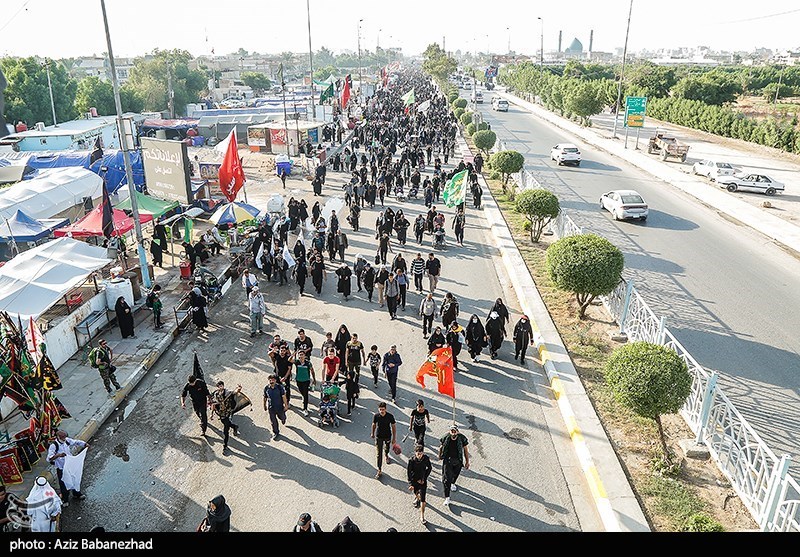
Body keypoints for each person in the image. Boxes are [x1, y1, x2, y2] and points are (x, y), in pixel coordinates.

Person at [47, 430, 88, 506]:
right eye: (62, 437)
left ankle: (76, 493)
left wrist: (84, 444)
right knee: (63, 484)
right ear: (58, 437)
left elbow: (76, 442)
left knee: (74, 479)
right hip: (62, 468)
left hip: (70, 466)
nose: (64, 439)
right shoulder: (54, 446)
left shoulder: (67, 441)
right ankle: (65, 499)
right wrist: (58, 455)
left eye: (65, 437)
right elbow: (49, 458)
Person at [439, 424, 470, 507]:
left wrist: (467, 461)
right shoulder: (445, 437)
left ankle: (453, 482)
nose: (453, 432)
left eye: (454, 430)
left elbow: (465, 450)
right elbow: (441, 447)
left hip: (458, 461)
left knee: (455, 474)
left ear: (457, 431)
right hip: (447, 460)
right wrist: (440, 455)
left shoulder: (462, 438)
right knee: (446, 479)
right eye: (451, 430)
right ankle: (447, 497)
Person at [211, 381, 242, 452]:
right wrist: (212, 414)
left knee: (225, 431)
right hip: (221, 413)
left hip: (227, 413)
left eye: (221, 385)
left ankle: (225, 446)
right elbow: (214, 404)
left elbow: (235, 392)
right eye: (219, 386)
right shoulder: (216, 394)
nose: (220, 387)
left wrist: (239, 389)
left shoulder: (227, 392)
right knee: (226, 423)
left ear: (223, 386)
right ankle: (234, 427)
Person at [407, 444, 433, 525]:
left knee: (423, 499)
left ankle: (422, 516)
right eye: (418, 453)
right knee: (416, 492)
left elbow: (429, 468)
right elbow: (408, 472)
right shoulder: (411, 461)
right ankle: (417, 497)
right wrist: (411, 484)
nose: (419, 455)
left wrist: (424, 478)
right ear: (415, 453)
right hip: (414, 481)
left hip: (423, 481)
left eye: (421, 453)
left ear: (423, 453)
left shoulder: (426, 459)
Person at [371, 401, 397, 479]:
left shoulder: (390, 416)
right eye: (380, 409)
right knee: (379, 454)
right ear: (378, 409)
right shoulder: (376, 416)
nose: (382, 411)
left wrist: (394, 438)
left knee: (387, 448)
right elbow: (374, 424)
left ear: (385, 409)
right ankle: (379, 469)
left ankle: (386, 455)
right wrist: (372, 433)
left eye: (383, 409)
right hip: (379, 436)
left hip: (387, 436)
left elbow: (393, 427)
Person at [263, 374, 288, 439]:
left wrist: (286, 405)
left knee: (281, 417)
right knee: (273, 421)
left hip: (279, 407)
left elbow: (284, 397)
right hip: (271, 408)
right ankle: (276, 432)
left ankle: (283, 418)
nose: (271, 381)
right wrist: (264, 405)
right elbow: (265, 397)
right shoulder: (266, 388)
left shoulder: (280, 388)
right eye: (270, 380)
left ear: (276, 381)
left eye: (273, 380)